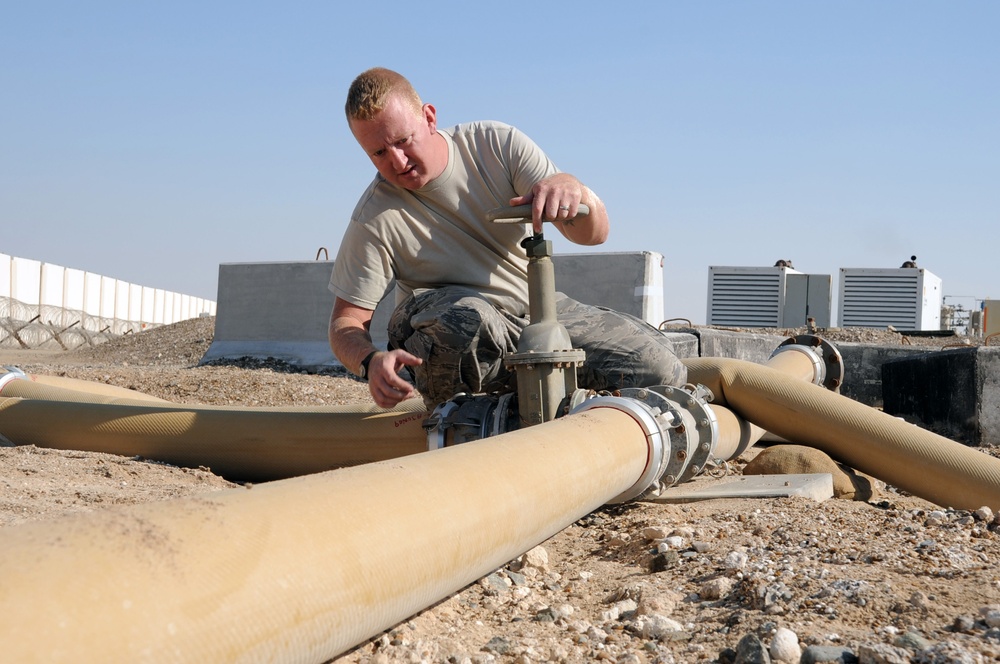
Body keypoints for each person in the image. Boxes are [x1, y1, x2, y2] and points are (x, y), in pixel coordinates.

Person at [329, 67, 686, 409]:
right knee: (466, 320)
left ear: (429, 117)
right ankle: (458, 420)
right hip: (460, 327)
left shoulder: (495, 146)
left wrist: (571, 188)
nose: (397, 160)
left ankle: (546, 415)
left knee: (660, 368)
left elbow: (596, 234)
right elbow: (345, 323)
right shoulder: (375, 218)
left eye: (403, 140)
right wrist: (371, 361)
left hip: (532, 314)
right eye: (378, 153)